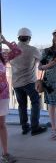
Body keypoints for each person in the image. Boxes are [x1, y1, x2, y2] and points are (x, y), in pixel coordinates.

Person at [10, 28, 47, 136]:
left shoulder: (12, 50)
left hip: (16, 83)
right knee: (35, 103)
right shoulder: (32, 50)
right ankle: (35, 127)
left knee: (22, 105)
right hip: (29, 82)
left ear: (18, 38)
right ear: (29, 38)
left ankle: (25, 127)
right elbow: (42, 60)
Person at [0, 34, 21, 163]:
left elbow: (17, 51)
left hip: (3, 96)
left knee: (2, 125)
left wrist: (5, 41)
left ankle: (5, 154)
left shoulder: (2, 56)